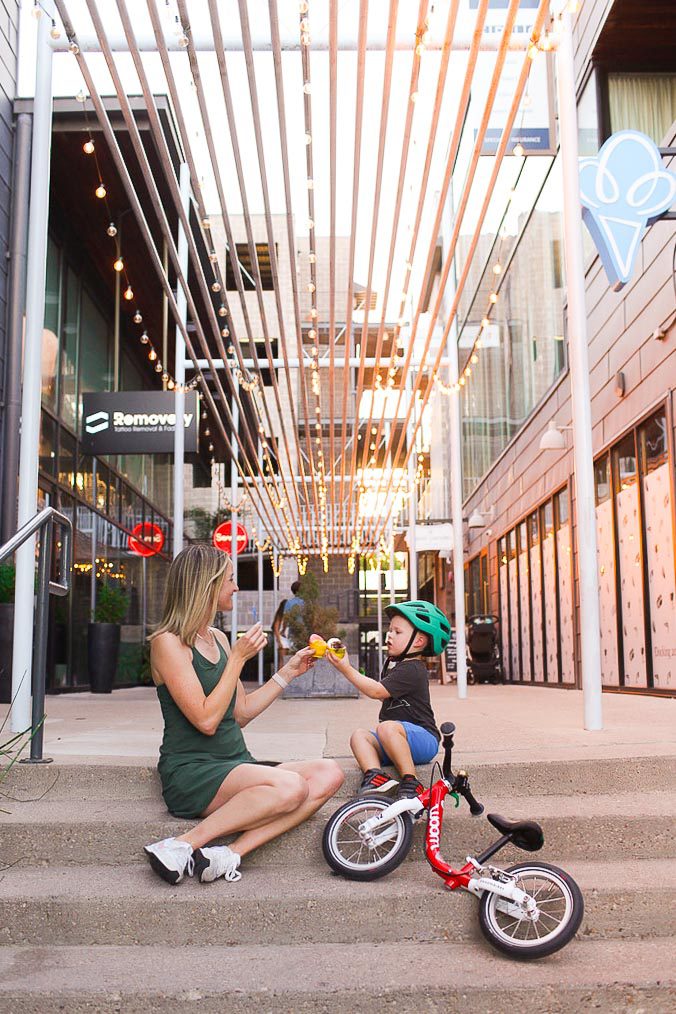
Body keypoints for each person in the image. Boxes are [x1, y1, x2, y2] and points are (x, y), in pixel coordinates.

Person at [143, 544, 344, 886]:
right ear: (206, 585)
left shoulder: (219, 639)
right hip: (194, 771)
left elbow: (241, 714)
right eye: (230, 580)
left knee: (329, 773)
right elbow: (206, 721)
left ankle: (229, 853)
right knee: (292, 786)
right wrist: (237, 660)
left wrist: (288, 673)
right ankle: (180, 844)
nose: (236, 587)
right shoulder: (168, 642)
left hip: (234, 762)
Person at [325, 600, 451, 801]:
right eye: (389, 630)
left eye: (397, 632)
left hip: (424, 739)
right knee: (360, 736)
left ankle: (411, 782)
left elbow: (376, 691)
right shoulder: (398, 666)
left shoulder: (413, 669)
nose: (389, 635)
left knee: (386, 728)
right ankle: (376, 777)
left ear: (418, 641)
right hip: (395, 738)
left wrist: (345, 669)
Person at [271, 598, 291, 662]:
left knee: (288, 659)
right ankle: (280, 671)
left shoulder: (288, 615)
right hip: (282, 639)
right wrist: (279, 642)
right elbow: (276, 629)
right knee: (282, 659)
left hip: (288, 638)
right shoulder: (280, 616)